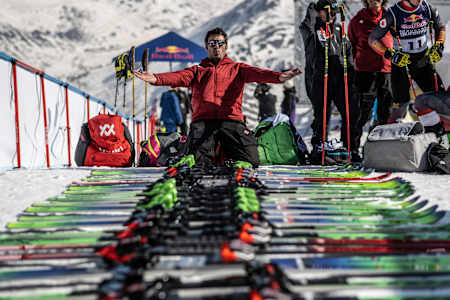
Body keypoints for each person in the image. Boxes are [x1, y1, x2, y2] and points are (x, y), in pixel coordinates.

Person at [134, 27, 301, 167]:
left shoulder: (237, 69)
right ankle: (197, 158)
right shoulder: (197, 71)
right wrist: (155, 78)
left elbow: (260, 74)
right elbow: (176, 77)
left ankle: (233, 160)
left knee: (251, 157)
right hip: (204, 122)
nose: (217, 47)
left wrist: (279, 77)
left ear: (226, 46)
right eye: (212, 43)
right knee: (198, 155)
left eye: (220, 43)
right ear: (206, 47)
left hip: (232, 121)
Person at [300, 0, 361, 163]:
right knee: (322, 116)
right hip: (319, 77)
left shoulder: (340, 28)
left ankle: (350, 149)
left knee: (350, 113)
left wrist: (350, 68)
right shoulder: (312, 29)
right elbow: (306, 23)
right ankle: (319, 148)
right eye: (328, 11)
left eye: (333, 11)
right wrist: (317, 7)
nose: (331, 14)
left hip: (340, 77)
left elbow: (347, 50)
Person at [368, 0, 446, 123]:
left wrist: (439, 44)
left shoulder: (426, 8)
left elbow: (440, 27)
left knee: (440, 97)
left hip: (422, 61)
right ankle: (392, 135)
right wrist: (390, 54)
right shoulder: (393, 13)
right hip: (401, 63)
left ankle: (440, 134)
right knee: (400, 106)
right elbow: (373, 39)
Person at [348, 0, 394, 143]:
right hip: (365, 72)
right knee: (362, 113)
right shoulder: (358, 20)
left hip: (387, 71)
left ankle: (379, 147)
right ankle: (353, 148)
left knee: (386, 112)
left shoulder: (391, 17)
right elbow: (352, 45)